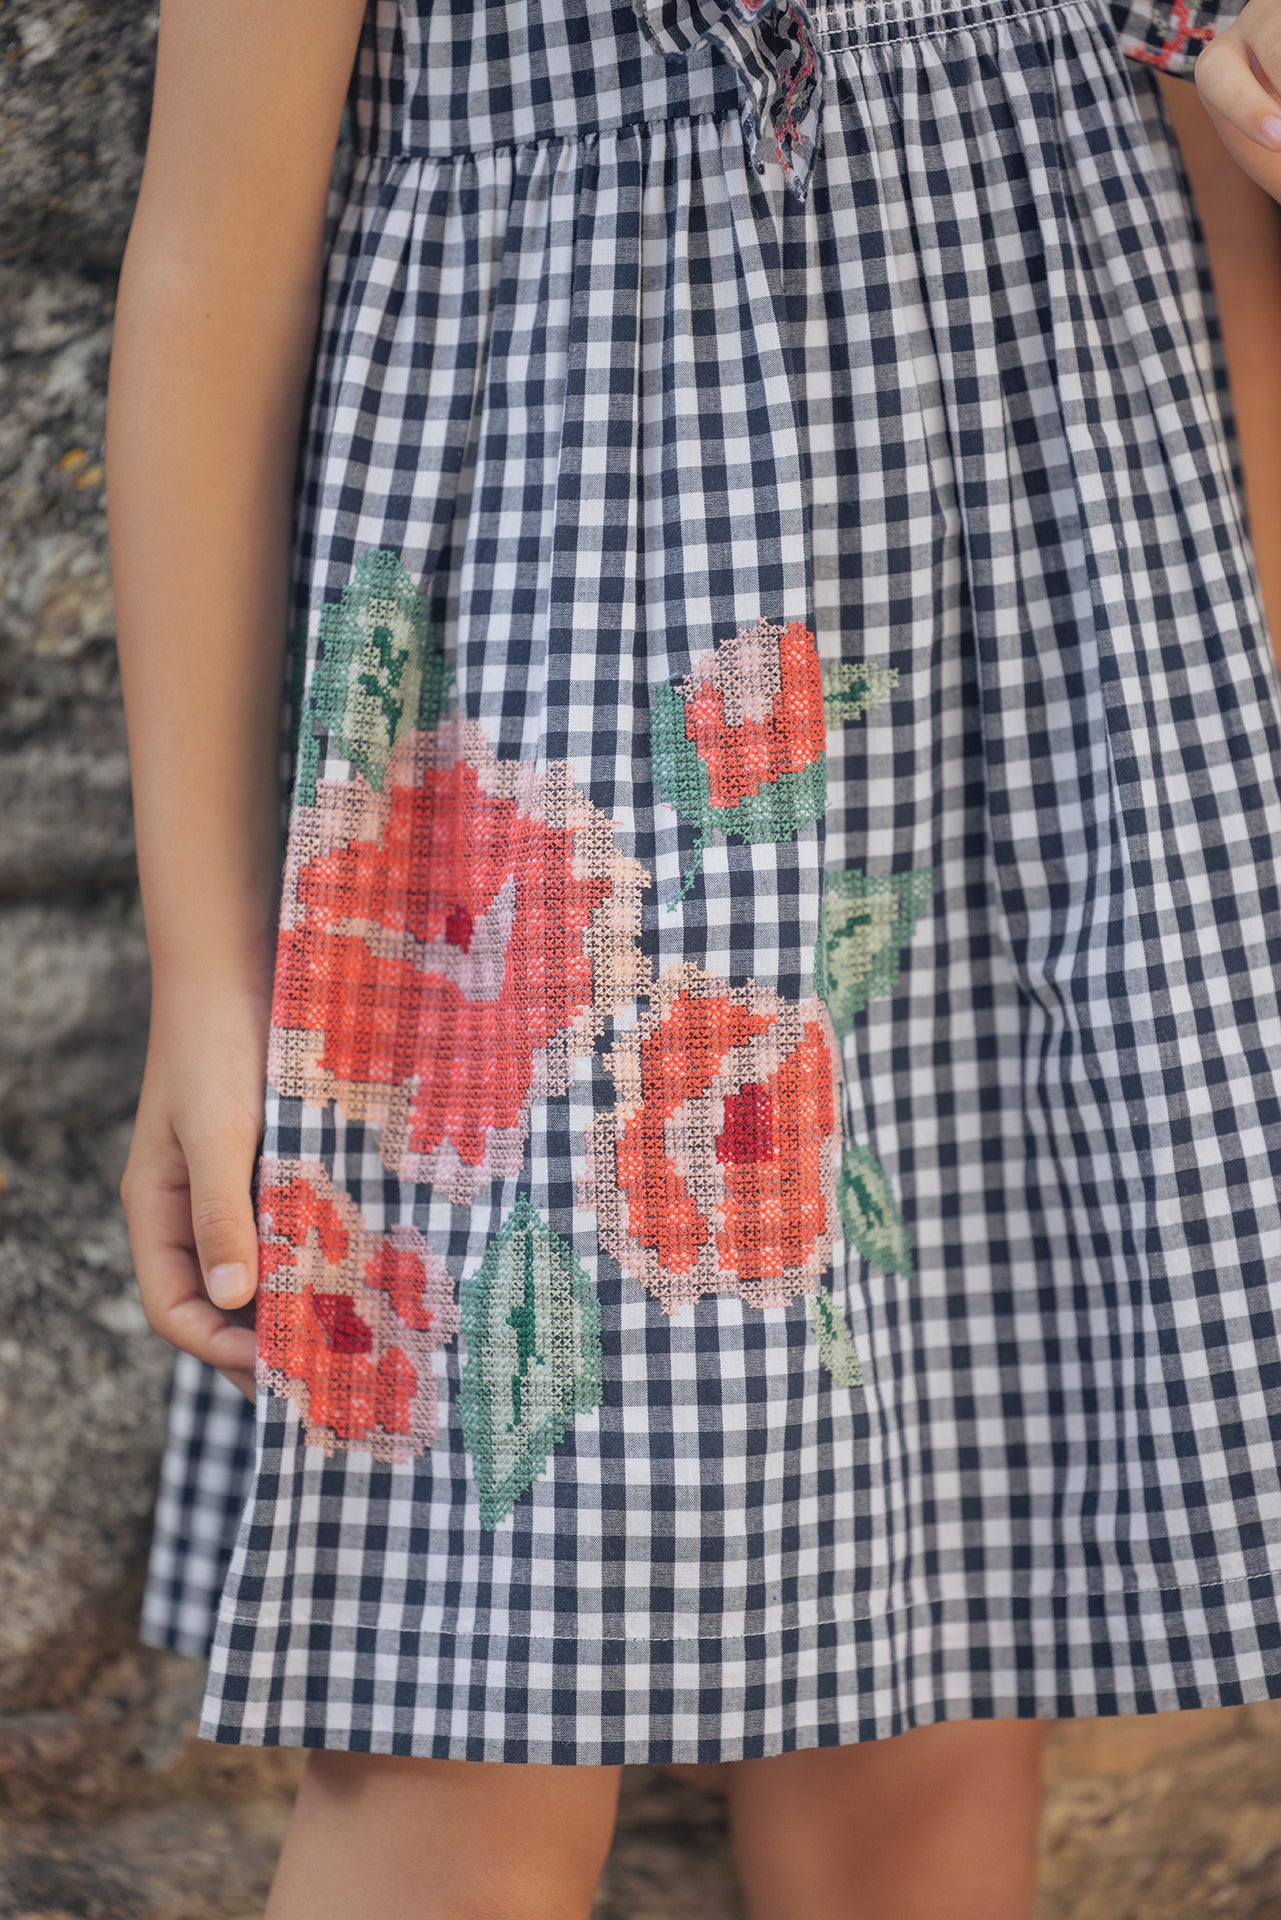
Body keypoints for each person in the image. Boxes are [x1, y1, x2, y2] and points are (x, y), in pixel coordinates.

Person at [105, 0, 1281, 1912]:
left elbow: (1216, 153)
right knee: (455, 1723)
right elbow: (210, 269)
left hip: (1010, 747)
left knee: (936, 1665)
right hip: (522, 778)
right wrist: (208, 970)